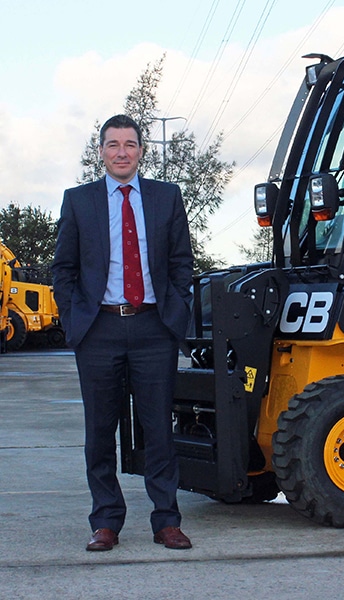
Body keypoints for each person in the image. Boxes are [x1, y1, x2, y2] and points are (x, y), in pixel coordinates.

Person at [52, 114, 194, 551]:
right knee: (100, 431)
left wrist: (176, 312)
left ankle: (166, 520)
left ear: (140, 151)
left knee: (158, 430)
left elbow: (181, 263)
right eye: (112, 144)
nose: (121, 152)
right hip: (99, 329)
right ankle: (106, 521)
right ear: (101, 152)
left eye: (129, 144)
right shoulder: (79, 201)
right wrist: (76, 320)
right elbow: (64, 269)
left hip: (154, 328)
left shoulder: (166, 198)